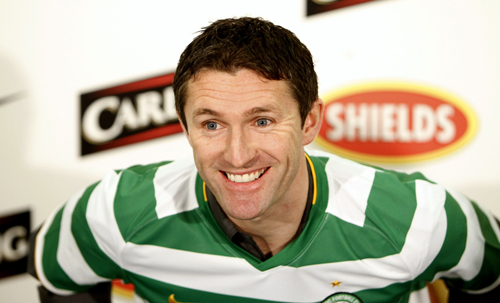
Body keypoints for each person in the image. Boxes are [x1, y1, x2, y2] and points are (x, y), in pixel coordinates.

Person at [29, 17, 500, 303]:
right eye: (212, 124)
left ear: (310, 121)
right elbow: (54, 277)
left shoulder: (419, 217)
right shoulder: (117, 210)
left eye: (262, 121)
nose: (237, 155)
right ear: (184, 125)